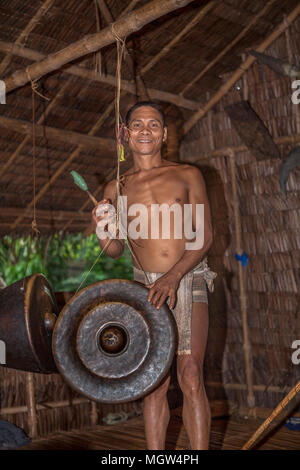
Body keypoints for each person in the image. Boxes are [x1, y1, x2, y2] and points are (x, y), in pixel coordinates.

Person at [92, 101, 215, 450]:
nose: (145, 130)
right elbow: (115, 249)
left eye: (154, 125)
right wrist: (103, 230)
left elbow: (204, 236)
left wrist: (173, 276)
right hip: (144, 287)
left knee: (190, 374)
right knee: (155, 381)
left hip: (187, 279)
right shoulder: (116, 187)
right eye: (137, 124)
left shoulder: (187, 174)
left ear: (163, 135)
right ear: (125, 134)